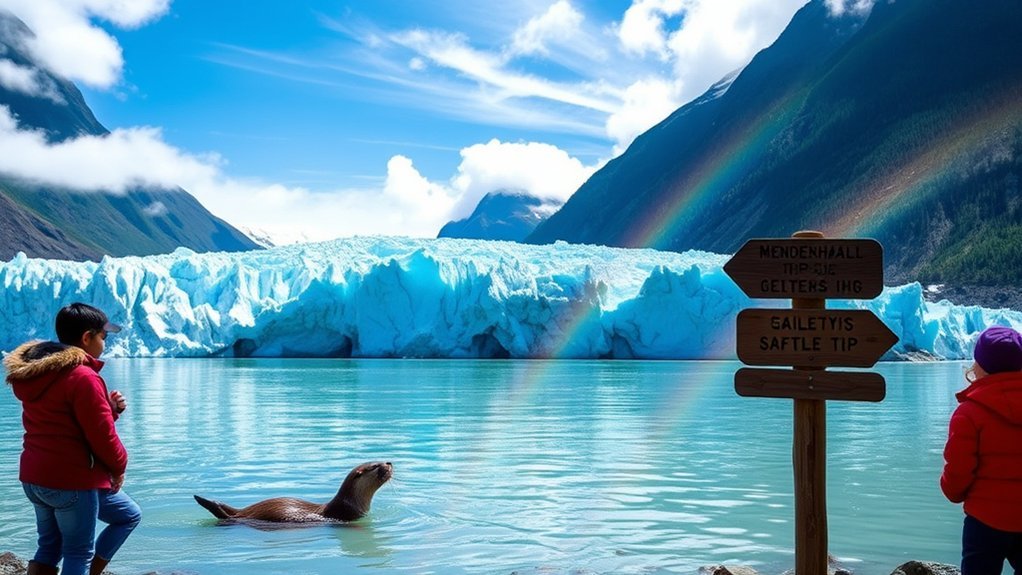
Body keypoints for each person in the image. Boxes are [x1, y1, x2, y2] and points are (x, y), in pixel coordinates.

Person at [3, 302, 141, 575]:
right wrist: (119, 468)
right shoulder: (83, 376)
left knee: (50, 547)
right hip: (72, 481)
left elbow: (65, 424)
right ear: (87, 338)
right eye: (103, 336)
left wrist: (110, 411)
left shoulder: (37, 373)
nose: (105, 343)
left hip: (35, 478)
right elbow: (102, 436)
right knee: (79, 553)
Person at [941, 325, 1022, 575]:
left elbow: (958, 471)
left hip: (984, 521)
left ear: (979, 365)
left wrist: (952, 491)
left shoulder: (969, 412)